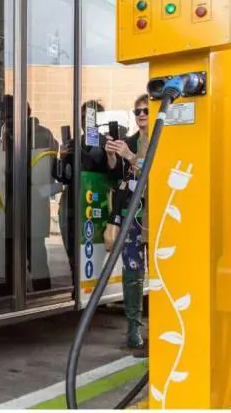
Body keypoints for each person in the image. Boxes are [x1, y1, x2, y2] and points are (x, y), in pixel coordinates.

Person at [106, 93, 150, 357]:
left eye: (145, 110)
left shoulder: (165, 137)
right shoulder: (131, 140)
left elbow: (160, 168)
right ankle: (134, 327)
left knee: (164, 269)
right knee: (132, 271)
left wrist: (132, 156)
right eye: (137, 111)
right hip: (133, 213)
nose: (141, 115)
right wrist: (113, 156)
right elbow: (115, 176)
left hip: (161, 213)